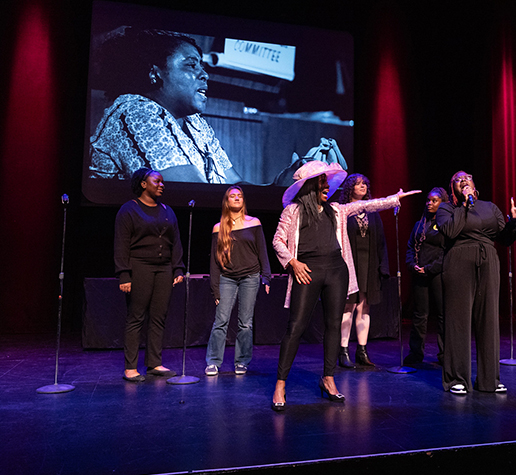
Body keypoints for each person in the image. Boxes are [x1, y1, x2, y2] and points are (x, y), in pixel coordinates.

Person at [271, 161, 419, 410]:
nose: (327, 186)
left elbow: (365, 204)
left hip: (336, 271)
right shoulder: (293, 211)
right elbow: (277, 241)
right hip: (306, 271)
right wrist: (292, 263)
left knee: (333, 325)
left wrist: (394, 199)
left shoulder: (336, 210)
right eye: (322, 182)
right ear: (309, 186)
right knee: (295, 326)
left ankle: (328, 379)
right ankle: (280, 384)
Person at [89, 27, 241, 183]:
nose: (205, 75)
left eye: (202, 66)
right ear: (154, 73)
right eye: (191, 65)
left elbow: (235, 184)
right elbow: (192, 192)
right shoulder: (136, 112)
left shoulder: (195, 122)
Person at [436, 171, 516, 395]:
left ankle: (489, 379)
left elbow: (504, 239)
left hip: (488, 259)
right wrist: (465, 206)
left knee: (488, 318)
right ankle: (457, 378)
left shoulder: (490, 207)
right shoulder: (446, 209)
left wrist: (512, 220)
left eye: (467, 177)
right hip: (458, 261)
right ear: (453, 188)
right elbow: (450, 231)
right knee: (458, 320)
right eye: (458, 180)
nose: (463, 180)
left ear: (474, 184)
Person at [114, 167, 185, 382]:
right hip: (139, 267)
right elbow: (121, 244)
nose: (162, 185)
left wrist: (178, 267)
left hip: (164, 269)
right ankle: (130, 368)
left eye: (163, 182)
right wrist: (124, 274)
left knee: (158, 316)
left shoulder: (167, 210)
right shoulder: (129, 210)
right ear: (143, 184)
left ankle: (154, 363)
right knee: (136, 317)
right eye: (157, 181)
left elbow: (176, 242)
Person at [204, 186, 271, 376]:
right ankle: (213, 361)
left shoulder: (254, 223)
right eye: (232, 196)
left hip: (250, 277)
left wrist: (266, 276)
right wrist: (214, 287)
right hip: (227, 278)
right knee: (221, 321)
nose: (236, 198)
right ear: (226, 201)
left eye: (240, 196)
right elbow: (214, 261)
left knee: (245, 323)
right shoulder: (219, 228)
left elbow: (262, 251)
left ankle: (242, 361)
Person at [337, 174, 388, 368]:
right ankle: (343, 350)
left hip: (369, 264)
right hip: (350, 264)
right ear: (350, 188)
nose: (363, 186)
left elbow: (381, 240)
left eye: (365, 183)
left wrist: (383, 266)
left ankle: (362, 351)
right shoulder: (343, 212)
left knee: (364, 307)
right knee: (348, 307)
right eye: (358, 184)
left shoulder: (372, 212)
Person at [403, 187, 449, 365]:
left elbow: (446, 252)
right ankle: (416, 353)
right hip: (420, 274)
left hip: (437, 273)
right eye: (428, 200)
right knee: (419, 315)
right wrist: (412, 265)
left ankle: (445, 354)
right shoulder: (419, 224)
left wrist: (429, 268)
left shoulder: (446, 225)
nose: (429, 203)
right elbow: (410, 247)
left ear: (442, 203)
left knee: (442, 315)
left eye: (434, 200)